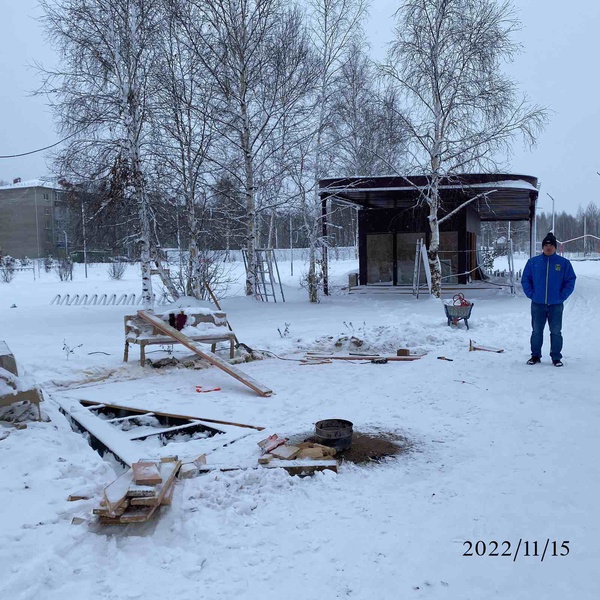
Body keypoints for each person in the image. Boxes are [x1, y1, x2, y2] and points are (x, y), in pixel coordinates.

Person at [521, 232, 576, 367]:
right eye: (546, 245)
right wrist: (531, 294)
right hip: (537, 304)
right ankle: (535, 356)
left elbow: (570, 281)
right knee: (537, 331)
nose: (548, 247)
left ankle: (556, 357)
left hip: (555, 305)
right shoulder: (533, 262)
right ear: (542, 247)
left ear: (555, 247)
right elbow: (525, 280)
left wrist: (562, 296)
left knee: (556, 332)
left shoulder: (564, 263)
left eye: (551, 245)